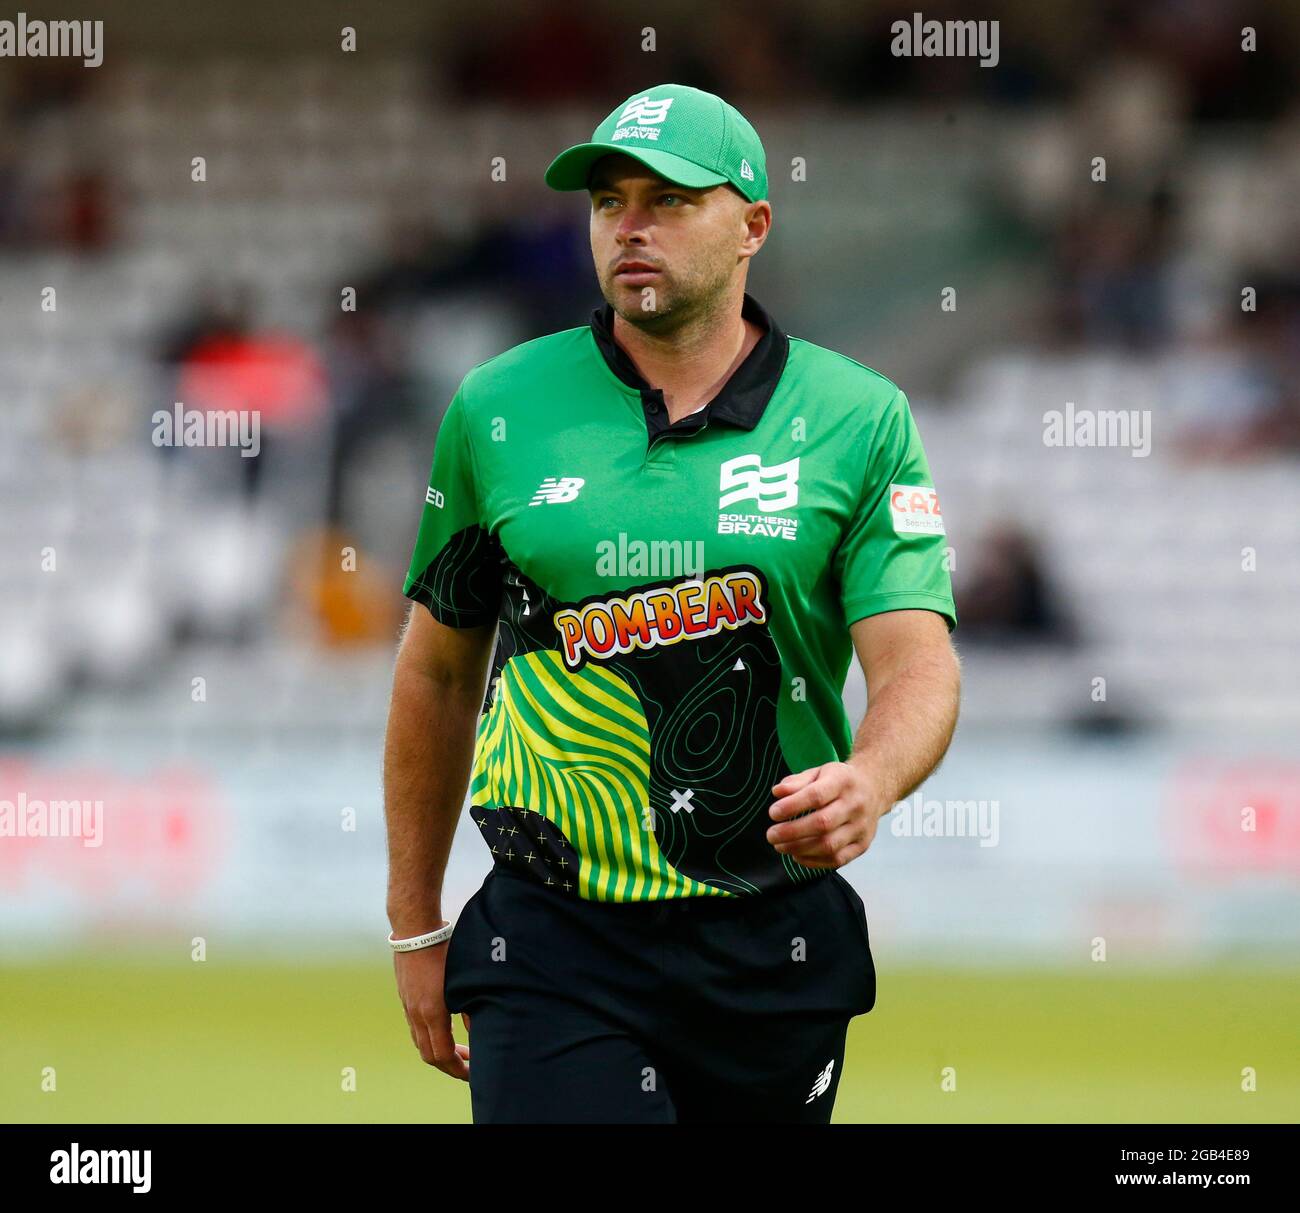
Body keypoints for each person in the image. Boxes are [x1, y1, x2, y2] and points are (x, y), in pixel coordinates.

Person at [383, 83, 961, 1124]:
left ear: (752, 227)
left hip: (768, 936)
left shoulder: (859, 418)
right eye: (609, 201)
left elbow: (915, 659)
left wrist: (871, 779)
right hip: (550, 936)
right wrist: (415, 919)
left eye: (668, 199)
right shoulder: (498, 408)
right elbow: (435, 669)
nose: (629, 227)